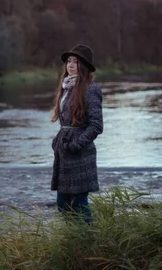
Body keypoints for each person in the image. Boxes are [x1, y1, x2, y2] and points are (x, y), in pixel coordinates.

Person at [50, 44, 104, 224]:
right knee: (62, 203)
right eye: (69, 61)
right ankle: (73, 238)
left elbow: (96, 125)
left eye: (76, 61)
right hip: (64, 152)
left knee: (80, 203)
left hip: (80, 153)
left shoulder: (91, 89)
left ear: (85, 66)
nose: (71, 65)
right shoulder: (65, 87)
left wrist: (76, 144)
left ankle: (88, 240)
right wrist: (57, 142)